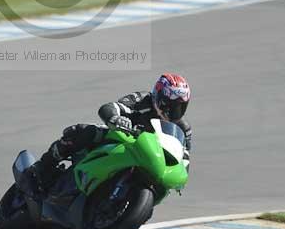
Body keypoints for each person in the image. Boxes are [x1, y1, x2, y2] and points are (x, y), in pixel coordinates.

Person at [30, 73, 192, 190]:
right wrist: (116, 118)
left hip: (150, 159)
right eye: (169, 105)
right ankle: (42, 167)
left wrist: (179, 176)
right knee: (82, 131)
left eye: (179, 107)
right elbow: (112, 107)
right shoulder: (142, 100)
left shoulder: (183, 129)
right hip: (122, 137)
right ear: (158, 97)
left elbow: (184, 158)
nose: (172, 111)